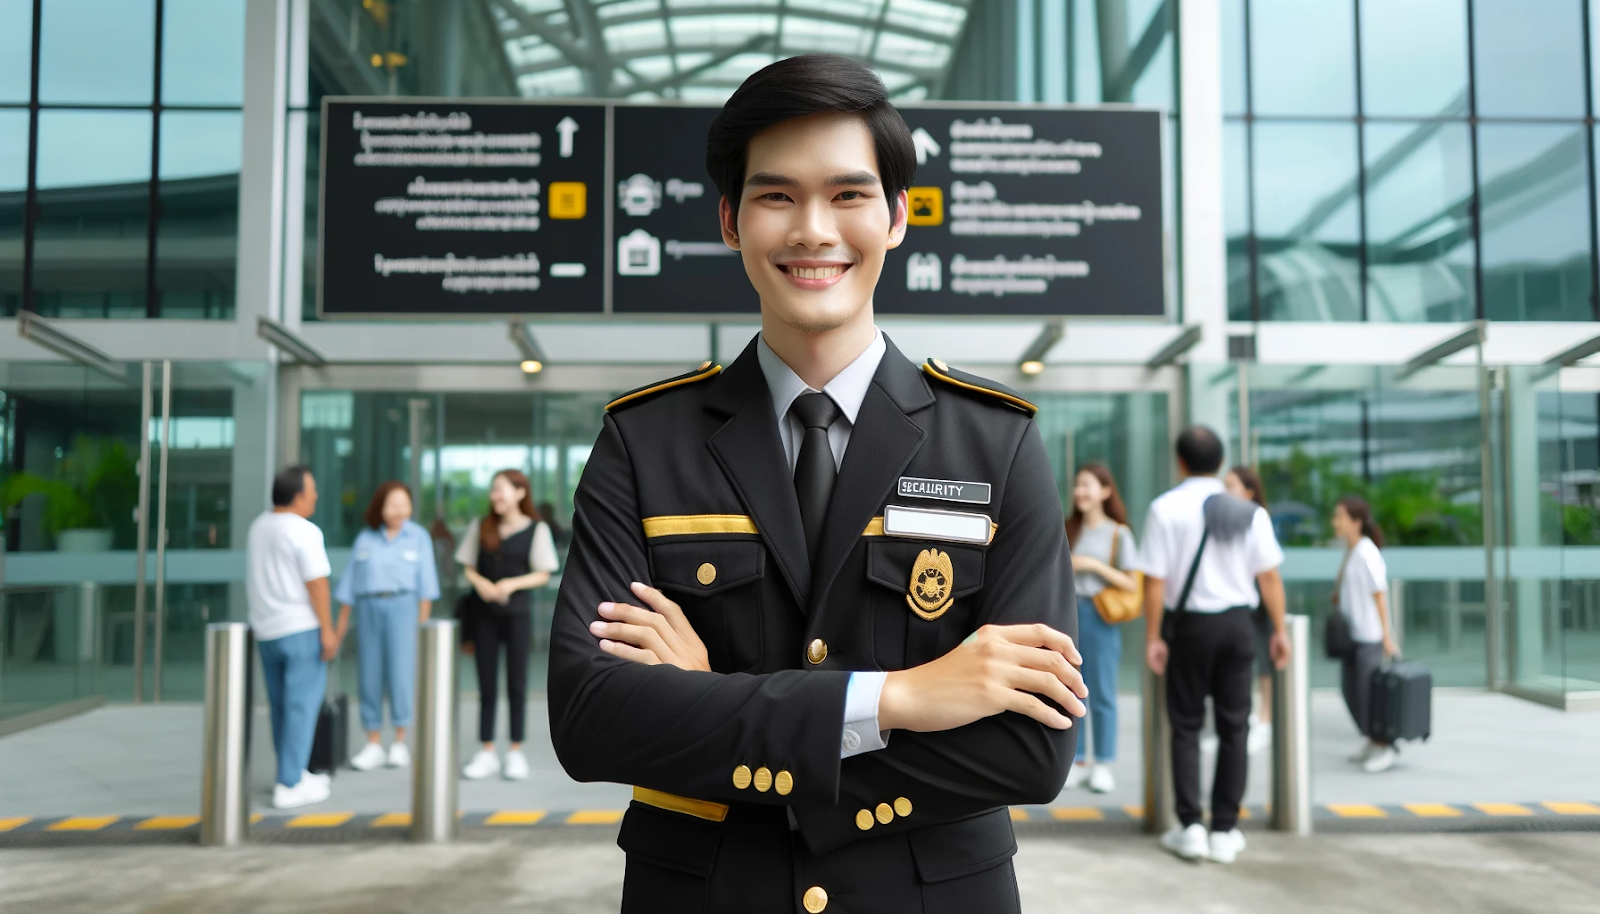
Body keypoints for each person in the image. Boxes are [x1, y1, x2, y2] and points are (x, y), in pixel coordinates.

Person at [547, 54, 1085, 914]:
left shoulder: (998, 443)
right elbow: (589, 720)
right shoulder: (642, 443)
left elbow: (1032, 750)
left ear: (898, 216)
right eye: (776, 196)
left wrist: (705, 701)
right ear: (730, 220)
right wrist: (899, 698)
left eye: (847, 194)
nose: (812, 230)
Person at [1139, 427, 1289, 864]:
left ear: (1180, 462)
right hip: (1239, 626)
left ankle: (1190, 828)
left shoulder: (1165, 508)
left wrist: (1153, 637)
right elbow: (1270, 577)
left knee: (1185, 726)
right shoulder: (1249, 511)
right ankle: (1225, 829)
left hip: (1188, 628)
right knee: (1234, 727)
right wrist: (1278, 630)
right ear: (1221, 462)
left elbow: (1154, 583)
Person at [456, 469, 558, 781]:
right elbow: (468, 567)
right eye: (492, 490)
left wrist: (511, 584)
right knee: (486, 683)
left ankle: (515, 751)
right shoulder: (481, 525)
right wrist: (481, 584)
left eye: (500, 490)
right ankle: (486, 751)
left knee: (517, 683)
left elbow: (544, 572)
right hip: (483, 616)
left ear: (519, 493)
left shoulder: (536, 529)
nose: (494, 496)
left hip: (517, 615)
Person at [246, 465, 337, 809]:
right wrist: (328, 630)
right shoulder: (304, 530)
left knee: (282, 707)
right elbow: (317, 583)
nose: (315, 496)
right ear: (298, 496)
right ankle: (289, 783)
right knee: (301, 706)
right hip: (300, 629)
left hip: (268, 631)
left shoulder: (259, 527)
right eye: (311, 490)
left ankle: (295, 770)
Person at [334, 481, 441, 772]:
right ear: (380, 507)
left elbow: (426, 588)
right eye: (393, 503)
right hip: (369, 609)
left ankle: (399, 742)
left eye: (404, 503)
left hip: (403, 608)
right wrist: (339, 627)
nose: (399, 509)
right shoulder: (366, 539)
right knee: (369, 674)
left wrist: (422, 627)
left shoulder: (418, 537)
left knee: (401, 674)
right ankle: (373, 742)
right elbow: (349, 587)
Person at [1063, 463, 1138, 794]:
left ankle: (1103, 763)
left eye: (1088, 485)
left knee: (1103, 691)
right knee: (1069, 689)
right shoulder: (1067, 529)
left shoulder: (1119, 534)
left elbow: (1132, 582)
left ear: (1106, 491)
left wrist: (1092, 566)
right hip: (1068, 614)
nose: (1081, 491)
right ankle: (1076, 761)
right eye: (1078, 485)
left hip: (1100, 614)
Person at [1330, 495, 1400, 774]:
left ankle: (1386, 745)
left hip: (1369, 636)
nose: (1335, 522)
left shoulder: (1367, 551)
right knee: (1351, 691)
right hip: (1352, 637)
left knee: (1368, 694)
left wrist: (1386, 636)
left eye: (1339, 517)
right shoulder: (1353, 550)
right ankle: (1372, 740)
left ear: (1356, 521)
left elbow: (1379, 595)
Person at [1224, 465, 1279, 757]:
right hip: (1238, 605)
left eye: (1231, 485)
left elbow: (1269, 573)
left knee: (1264, 665)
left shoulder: (1257, 517)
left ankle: (1264, 719)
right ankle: (1246, 720)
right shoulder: (1222, 517)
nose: (1225, 490)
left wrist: (1280, 625)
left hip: (1259, 601)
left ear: (1248, 491)